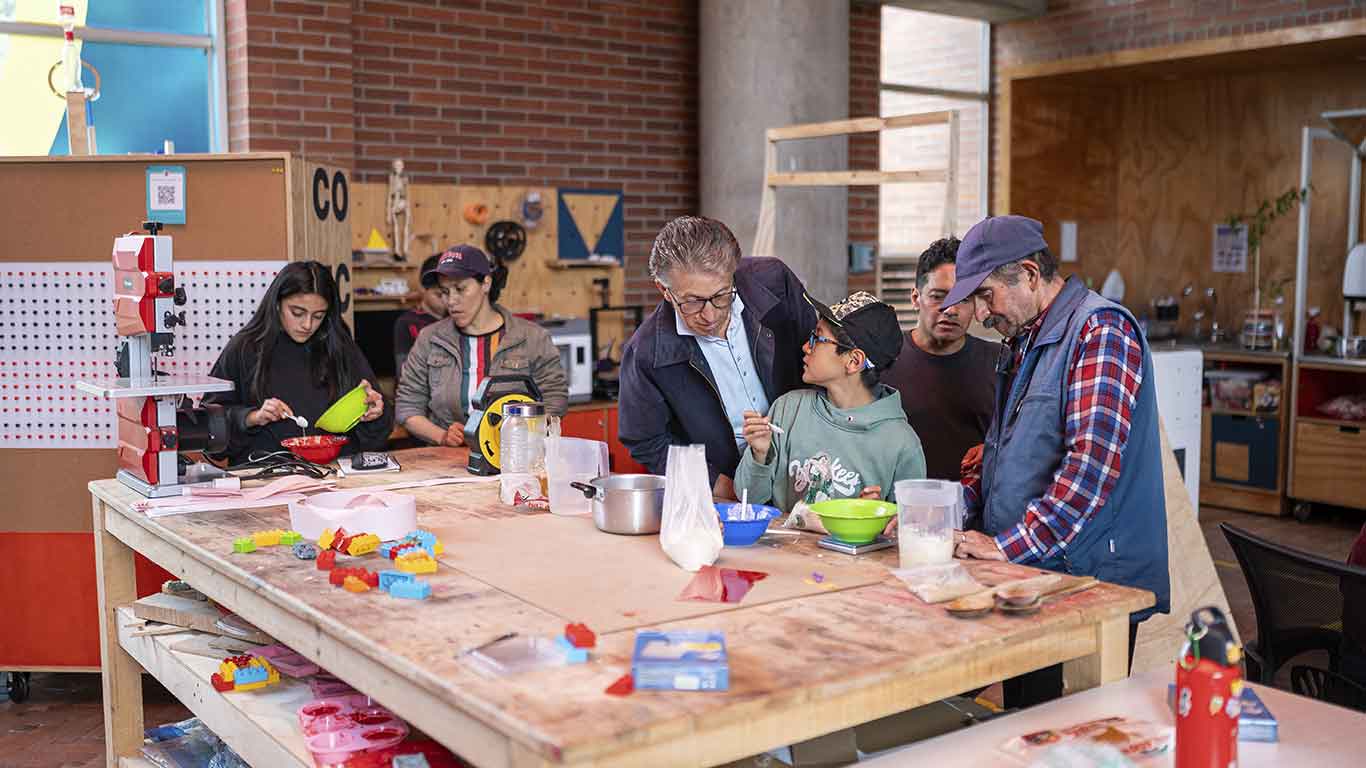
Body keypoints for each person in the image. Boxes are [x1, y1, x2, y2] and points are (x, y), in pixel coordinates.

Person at [944, 215, 1170, 709]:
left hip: (1088, 578)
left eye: (985, 296)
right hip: (1036, 571)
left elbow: (1088, 471)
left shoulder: (1100, 332)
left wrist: (1006, 547)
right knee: (1025, 723)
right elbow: (1009, 454)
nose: (980, 315)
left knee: (1070, 737)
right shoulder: (1024, 340)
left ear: (1028, 274)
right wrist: (949, 516)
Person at [618, 216, 817, 499]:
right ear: (664, 291)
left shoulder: (775, 283)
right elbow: (646, 442)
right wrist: (722, 486)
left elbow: (819, 356)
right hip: (732, 483)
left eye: (721, 295)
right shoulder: (646, 354)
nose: (710, 315)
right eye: (693, 301)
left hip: (810, 463)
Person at [734, 292, 926, 529]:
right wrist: (760, 456)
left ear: (853, 361)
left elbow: (911, 532)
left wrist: (875, 519)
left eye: (817, 338)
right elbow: (747, 502)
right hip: (782, 560)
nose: (805, 346)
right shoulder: (789, 409)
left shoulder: (902, 444)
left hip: (850, 566)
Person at [206, 261, 390, 464]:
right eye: (297, 313)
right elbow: (211, 429)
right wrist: (252, 417)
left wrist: (374, 413)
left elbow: (377, 438)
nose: (307, 324)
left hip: (335, 476)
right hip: (265, 479)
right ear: (277, 304)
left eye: (318, 316)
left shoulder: (339, 346)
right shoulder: (245, 348)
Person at [395, 245, 567, 447]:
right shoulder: (429, 339)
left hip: (516, 459)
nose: (451, 301)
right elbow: (407, 407)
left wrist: (519, 436)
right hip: (446, 463)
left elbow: (554, 400)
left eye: (460, 289)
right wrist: (442, 436)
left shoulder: (532, 337)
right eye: (444, 292)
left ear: (486, 283)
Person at [882, 237, 998, 481]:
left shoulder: (1000, 362)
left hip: (975, 509)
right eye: (938, 296)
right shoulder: (883, 358)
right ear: (915, 298)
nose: (951, 309)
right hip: (899, 508)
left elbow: (1019, 438)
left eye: (963, 298)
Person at [392, 253, 448, 373]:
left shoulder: (456, 319)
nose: (446, 300)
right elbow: (403, 371)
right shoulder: (407, 323)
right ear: (423, 289)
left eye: (448, 293)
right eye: (438, 295)